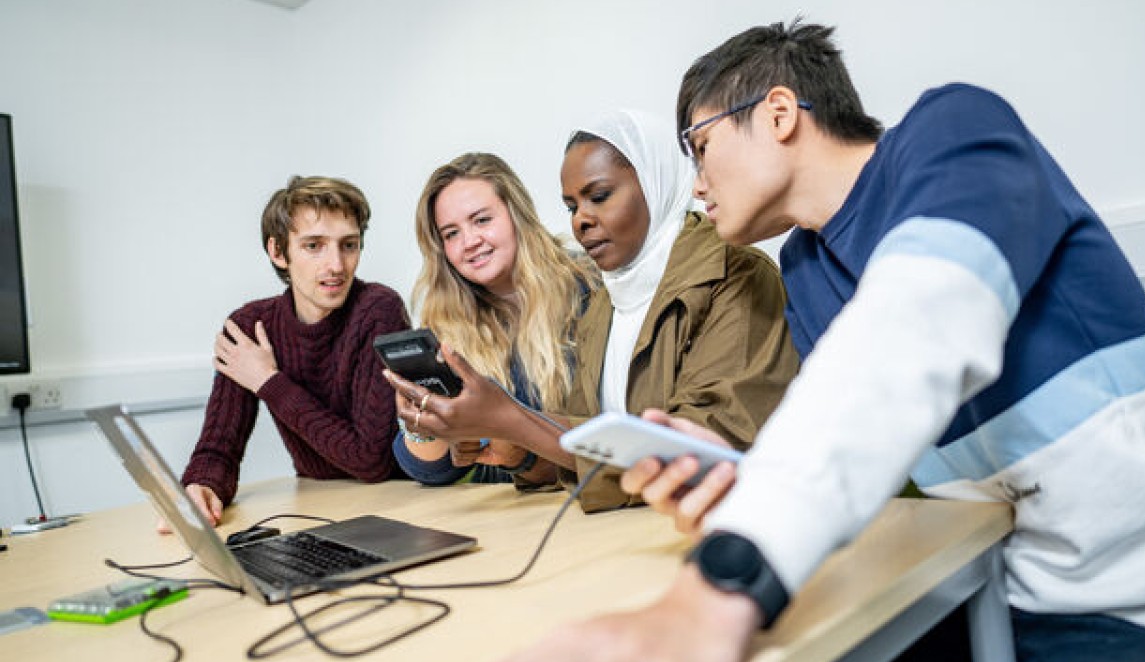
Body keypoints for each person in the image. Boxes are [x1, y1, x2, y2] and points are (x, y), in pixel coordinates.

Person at [489, 19, 1145, 662]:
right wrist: (743, 483)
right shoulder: (807, 266)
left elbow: (914, 329)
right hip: (983, 590)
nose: (696, 183)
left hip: (1138, 607)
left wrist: (730, 572)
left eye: (700, 146)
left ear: (778, 112)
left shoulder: (955, 129)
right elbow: (879, 453)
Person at [387, 110, 800, 512]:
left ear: (655, 183)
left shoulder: (733, 273)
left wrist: (512, 421)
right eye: (571, 207)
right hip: (631, 521)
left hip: (719, 519)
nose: (582, 220)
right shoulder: (611, 298)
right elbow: (588, 436)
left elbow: (699, 447)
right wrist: (520, 453)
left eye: (599, 197)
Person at [175, 175, 411, 530]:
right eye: (313, 246)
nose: (336, 265)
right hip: (317, 506)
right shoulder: (249, 325)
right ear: (277, 251)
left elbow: (371, 460)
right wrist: (203, 487)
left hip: (397, 505)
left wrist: (269, 381)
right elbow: (217, 450)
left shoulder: (378, 310)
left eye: (349, 245)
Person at [390, 152, 595, 488]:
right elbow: (434, 471)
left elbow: (605, 429)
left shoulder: (586, 286)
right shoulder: (446, 319)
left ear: (517, 215)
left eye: (482, 220)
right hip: (507, 514)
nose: (470, 242)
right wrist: (422, 423)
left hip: (585, 503)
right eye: (451, 233)